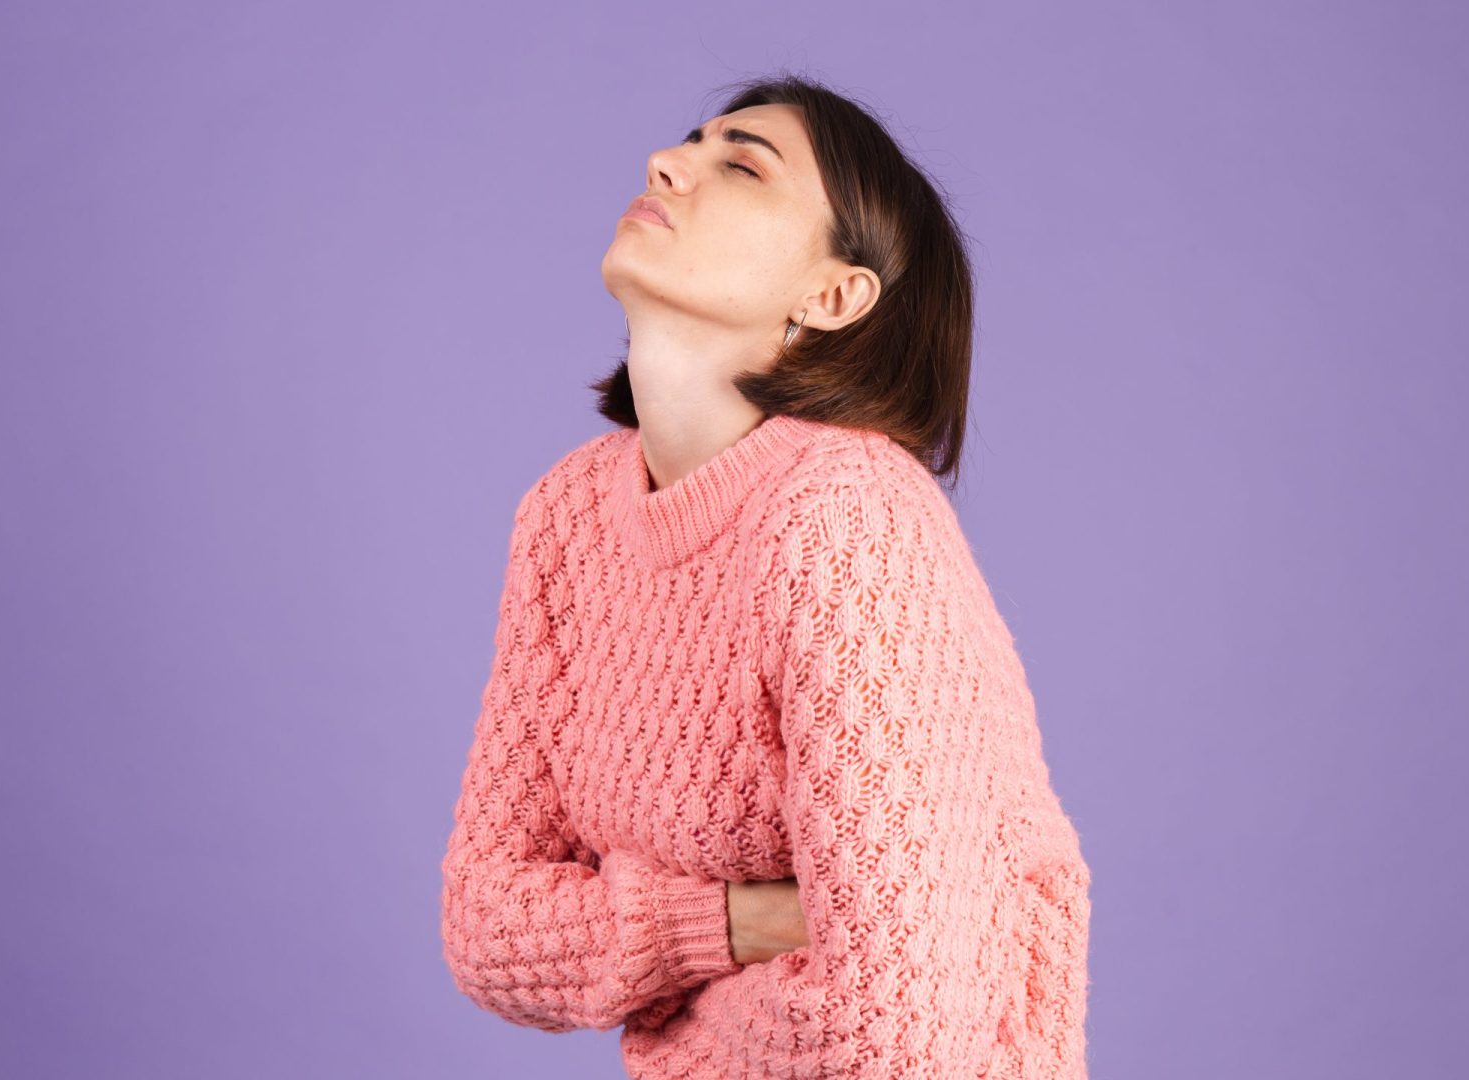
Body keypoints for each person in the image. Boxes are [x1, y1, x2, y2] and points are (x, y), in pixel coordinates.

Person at [440, 72, 1092, 1078]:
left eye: (741, 164)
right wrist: (737, 924)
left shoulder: (844, 519)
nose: (667, 163)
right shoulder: (567, 518)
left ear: (834, 295)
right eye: (688, 143)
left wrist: (680, 1025)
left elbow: (902, 1035)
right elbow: (489, 927)